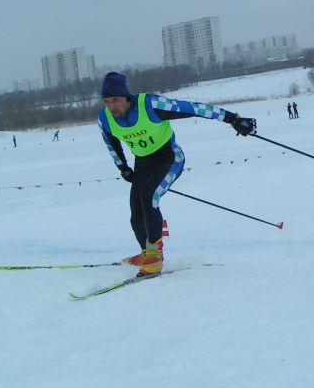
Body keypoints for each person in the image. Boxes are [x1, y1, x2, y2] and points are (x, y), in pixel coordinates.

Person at [98, 71, 256, 277]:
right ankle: (146, 253)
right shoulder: (105, 119)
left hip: (169, 159)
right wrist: (123, 167)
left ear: (127, 97)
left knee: (149, 197)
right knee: (136, 211)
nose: (112, 106)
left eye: (116, 100)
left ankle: (155, 258)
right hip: (143, 164)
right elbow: (111, 142)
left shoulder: (150, 105)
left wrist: (233, 119)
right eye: (107, 101)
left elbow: (193, 109)